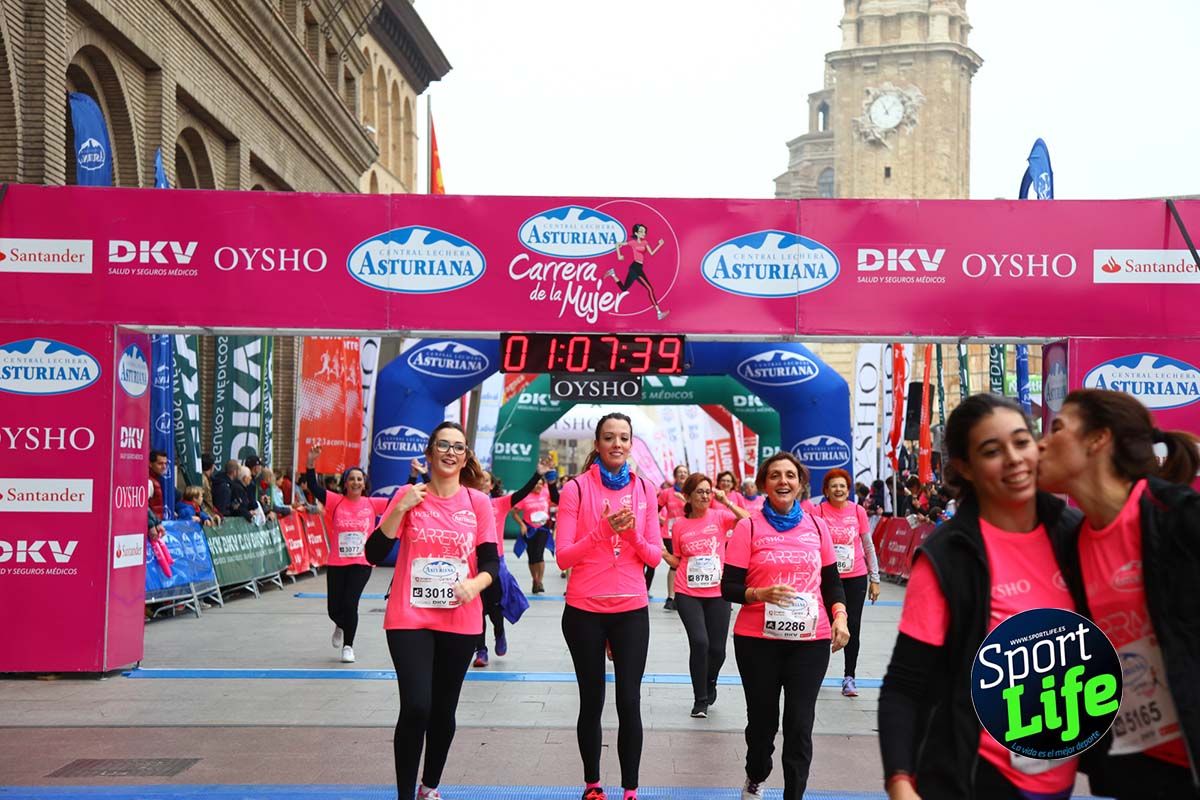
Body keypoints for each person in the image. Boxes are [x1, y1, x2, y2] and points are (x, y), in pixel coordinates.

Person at [877, 394, 1082, 800]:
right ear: (964, 468)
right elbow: (904, 683)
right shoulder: (946, 556)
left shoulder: (1073, 532)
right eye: (992, 451)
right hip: (972, 776)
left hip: (1059, 776)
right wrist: (900, 782)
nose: (1013, 459)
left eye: (1021, 442)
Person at [1037, 388, 1200, 800]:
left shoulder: (1179, 518)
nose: (1041, 443)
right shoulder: (1072, 542)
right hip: (1137, 766)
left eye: (1057, 428)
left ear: (1098, 439)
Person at [365, 421, 499, 800]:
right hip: (410, 615)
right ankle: (405, 794)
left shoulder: (477, 503)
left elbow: (491, 565)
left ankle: (430, 786)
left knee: (443, 709)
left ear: (466, 456)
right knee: (416, 706)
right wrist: (399, 509)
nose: (450, 452)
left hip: (461, 617)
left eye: (458, 447)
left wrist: (474, 585)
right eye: (443, 445)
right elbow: (374, 554)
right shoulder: (409, 495)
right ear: (429, 453)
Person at [721, 452, 849, 800]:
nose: (783, 481)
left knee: (799, 725)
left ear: (800, 483)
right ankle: (756, 775)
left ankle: (794, 794)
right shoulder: (748, 527)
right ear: (764, 484)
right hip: (756, 641)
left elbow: (832, 581)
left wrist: (840, 615)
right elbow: (728, 587)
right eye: (775, 475)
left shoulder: (817, 526)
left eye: (790, 475)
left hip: (810, 639)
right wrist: (760, 592)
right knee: (762, 724)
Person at [555, 412, 662, 800]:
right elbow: (563, 557)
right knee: (592, 699)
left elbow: (653, 556)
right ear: (597, 444)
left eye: (624, 438)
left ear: (631, 444)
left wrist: (629, 533)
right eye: (609, 437)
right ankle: (592, 784)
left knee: (629, 700)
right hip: (584, 609)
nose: (617, 444)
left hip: (631, 608)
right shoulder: (577, 490)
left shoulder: (646, 490)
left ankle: (630, 789)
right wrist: (602, 530)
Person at [661, 472, 749, 718]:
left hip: (717, 592)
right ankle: (700, 699)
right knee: (700, 642)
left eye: (708, 491)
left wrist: (727, 501)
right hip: (688, 591)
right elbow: (679, 560)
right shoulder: (679, 525)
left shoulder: (720, 517)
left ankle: (710, 682)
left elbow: (750, 520)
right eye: (699, 491)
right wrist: (661, 553)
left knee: (718, 650)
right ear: (687, 496)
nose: (705, 495)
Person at [302, 445, 388, 663]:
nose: (356, 482)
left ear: (364, 483)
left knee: (351, 604)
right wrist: (310, 463)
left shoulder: (372, 503)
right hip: (338, 562)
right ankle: (340, 623)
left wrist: (414, 476)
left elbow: (399, 502)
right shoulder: (335, 501)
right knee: (334, 609)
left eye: (360, 479)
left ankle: (348, 646)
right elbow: (313, 486)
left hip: (362, 562)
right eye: (352, 479)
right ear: (346, 482)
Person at [474, 460, 555, 667]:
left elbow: (522, 493)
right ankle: (480, 651)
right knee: (476, 610)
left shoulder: (499, 504)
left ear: (491, 485)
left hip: (494, 564)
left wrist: (538, 475)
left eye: (485, 480)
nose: (481, 483)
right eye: (478, 480)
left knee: (494, 607)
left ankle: (499, 633)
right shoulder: (467, 503)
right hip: (472, 565)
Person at [812, 468, 881, 698]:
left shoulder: (858, 511)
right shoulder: (818, 511)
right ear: (826, 490)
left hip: (855, 577)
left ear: (848, 489)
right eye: (834, 486)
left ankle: (849, 677)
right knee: (823, 626)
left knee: (853, 626)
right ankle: (815, 673)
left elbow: (868, 545)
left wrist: (875, 578)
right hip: (827, 578)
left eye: (842, 486)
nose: (839, 489)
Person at [605, 223, 668, 320]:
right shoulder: (632, 242)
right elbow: (618, 244)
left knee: (624, 289)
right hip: (635, 268)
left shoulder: (645, 242)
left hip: (638, 267)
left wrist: (660, 245)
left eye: (644, 232)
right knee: (650, 289)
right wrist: (619, 255)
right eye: (641, 231)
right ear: (636, 233)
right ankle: (659, 312)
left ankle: (613, 274)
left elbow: (651, 253)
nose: (644, 233)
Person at [512, 468, 560, 594]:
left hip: (543, 529)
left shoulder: (546, 493)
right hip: (529, 529)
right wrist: (522, 525)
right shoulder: (525, 497)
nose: (538, 486)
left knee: (539, 555)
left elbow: (556, 499)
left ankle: (540, 581)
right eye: (536, 484)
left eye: (541, 484)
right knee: (532, 557)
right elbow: (515, 513)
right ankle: (535, 579)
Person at [655, 465, 689, 611]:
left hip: (689, 532)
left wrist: (684, 499)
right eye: (679, 472)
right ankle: (671, 597)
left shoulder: (691, 492)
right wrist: (660, 520)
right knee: (674, 564)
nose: (682, 474)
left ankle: (685, 596)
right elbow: (654, 509)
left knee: (686, 563)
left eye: (685, 472)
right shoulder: (666, 493)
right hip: (670, 532)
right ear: (675, 476)